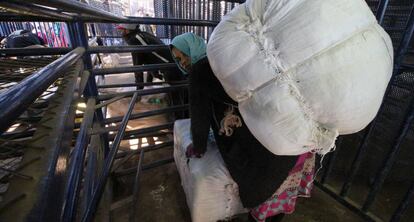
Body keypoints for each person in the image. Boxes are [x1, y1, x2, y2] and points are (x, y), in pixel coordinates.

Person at [170, 33, 316, 222]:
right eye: (178, 60)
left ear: (193, 49)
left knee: (261, 189)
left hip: (264, 151)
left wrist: (198, 147)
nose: (183, 63)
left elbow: (200, 119)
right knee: (280, 198)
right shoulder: (224, 61)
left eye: (184, 56)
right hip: (294, 141)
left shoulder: (199, 71)